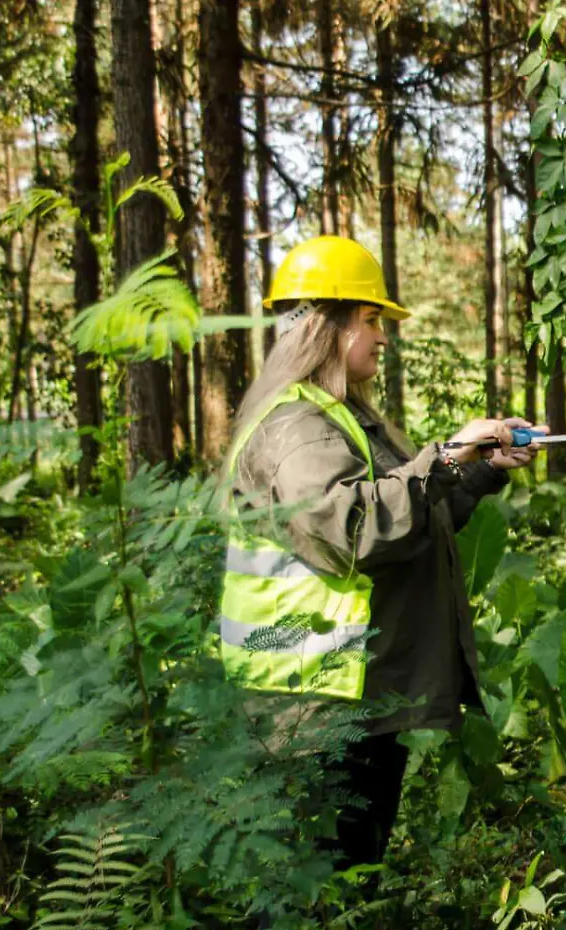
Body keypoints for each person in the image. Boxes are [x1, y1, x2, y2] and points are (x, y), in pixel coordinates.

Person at [219, 235, 549, 868]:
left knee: (349, 878)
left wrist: (476, 471)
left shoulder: (341, 417)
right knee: (319, 890)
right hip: (313, 709)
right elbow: (352, 530)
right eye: (370, 320)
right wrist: (448, 454)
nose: (382, 336)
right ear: (326, 326)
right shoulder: (296, 428)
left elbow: (408, 521)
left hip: (353, 695)